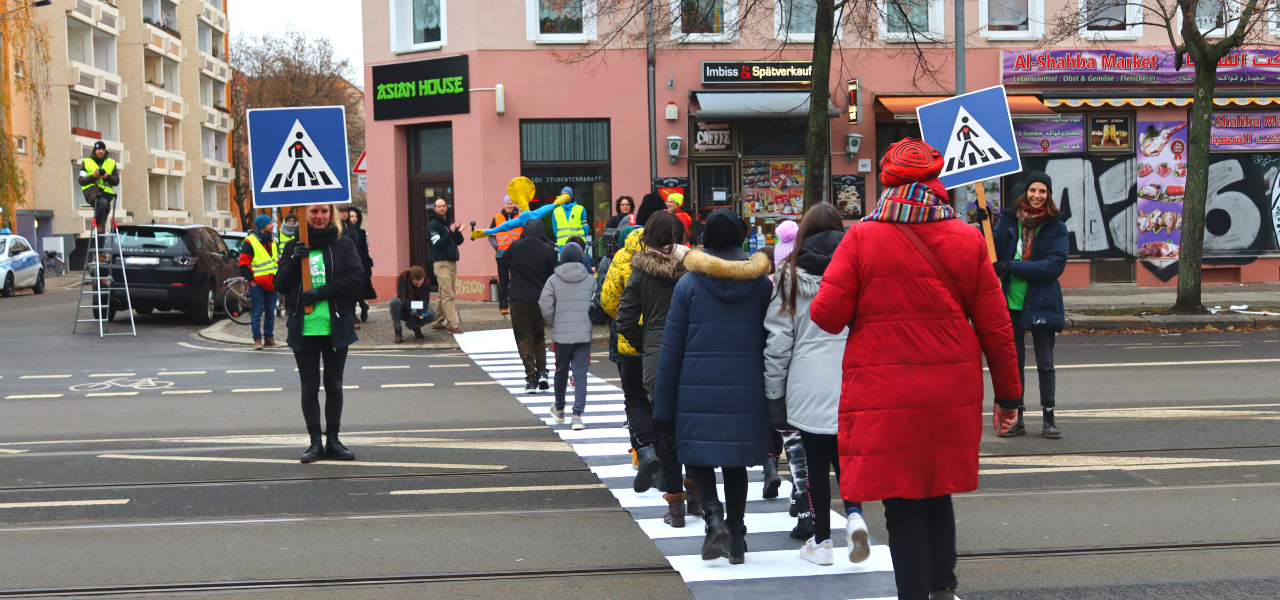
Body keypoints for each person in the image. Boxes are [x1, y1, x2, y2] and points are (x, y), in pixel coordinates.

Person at [810, 138, 1022, 600]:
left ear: (886, 181)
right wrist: (1010, 398)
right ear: (935, 181)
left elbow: (825, 316)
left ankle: (914, 594)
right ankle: (943, 587)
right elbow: (996, 326)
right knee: (936, 489)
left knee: (902, 501)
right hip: (949, 389)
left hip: (884, 393)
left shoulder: (861, 238)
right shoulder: (967, 239)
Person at [652, 208, 773, 565]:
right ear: (740, 238)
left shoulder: (688, 284)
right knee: (735, 463)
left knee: (697, 456)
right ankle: (736, 536)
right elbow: (773, 340)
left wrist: (663, 405)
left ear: (707, 239)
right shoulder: (762, 285)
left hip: (696, 386)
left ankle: (713, 517)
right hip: (747, 388)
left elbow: (671, 347)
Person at [762, 203, 865, 566]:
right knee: (848, 458)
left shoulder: (787, 275)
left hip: (807, 381)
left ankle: (821, 543)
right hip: (853, 376)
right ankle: (855, 516)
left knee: (817, 464)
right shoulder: (858, 267)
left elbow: (778, 342)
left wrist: (774, 392)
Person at [274, 203, 365, 464]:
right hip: (304, 329)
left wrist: (321, 292)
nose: (319, 216)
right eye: (314, 211)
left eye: (324, 211)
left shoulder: (343, 243)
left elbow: (357, 278)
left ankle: (333, 440)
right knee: (309, 387)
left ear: (332, 214)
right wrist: (294, 262)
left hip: (336, 325)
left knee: (334, 385)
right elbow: (279, 284)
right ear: (304, 214)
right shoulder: (293, 246)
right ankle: (315, 442)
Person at [616, 211, 691, 526]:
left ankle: (675, 506)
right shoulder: (693, 270)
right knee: (692, 426)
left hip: (657, 357)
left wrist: (644, 343)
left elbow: (625, 318)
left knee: (667, 430)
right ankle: (699, 491)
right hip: (691, 354)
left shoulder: (640, 272)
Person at [989, 170, 1069, 439]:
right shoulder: (1009, 221)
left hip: (1042, 301)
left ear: (1048, 196)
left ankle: (1049, 419)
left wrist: (1010, 266)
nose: (1037, 196)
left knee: (1045, 363)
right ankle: (1018, 417)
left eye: (1043, 192)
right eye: (1033, 190)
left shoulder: (1057, 226)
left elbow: (1052, 267)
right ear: (1026, 192)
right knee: (1015, 363)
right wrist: (983, 226)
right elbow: (993, 251)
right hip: (1010, 302)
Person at [600, 199, 664, 494]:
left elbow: (608, 301)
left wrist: (625, 322)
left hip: (630, 343)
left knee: (635, 398)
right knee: (661, 401)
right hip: (661, 338)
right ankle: (665, 458)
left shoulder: (621, 258)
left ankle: (646, 451)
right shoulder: (664, 255)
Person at [539, 242, 595, 430]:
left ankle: (560, 408)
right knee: (580, 375)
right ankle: (577, 415)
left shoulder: (553, 280)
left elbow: (544, 304)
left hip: (561, 336)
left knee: (560, 371)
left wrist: (553, 321)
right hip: (583, 334)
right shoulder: (590, 280)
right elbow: (597, 303)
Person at [507, 219, 558, 392]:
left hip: (518, 299)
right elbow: (553, 274)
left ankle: (530, 378)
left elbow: (503, 261)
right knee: (539, 337)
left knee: (523, 339)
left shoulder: (515, 247)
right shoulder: (548, 250)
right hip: (540, 299)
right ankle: (542, 372)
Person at [239, 214, 280, 350]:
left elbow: (276, 262)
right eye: (270, 223)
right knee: (256, 312)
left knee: (270, 312)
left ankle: (269, 338)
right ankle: (257, 339)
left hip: (271, 283)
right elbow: (243, 264)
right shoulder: (250, 242)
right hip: (257, 284)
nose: (273, 225)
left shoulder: (273, 241)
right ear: (263, 226)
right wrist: (251, 280)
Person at [425, 198, 464, 334]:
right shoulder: (432, 226)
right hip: (441, 263)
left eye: (443, 206)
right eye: (439, 206)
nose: (442, 208)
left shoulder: (448, 224)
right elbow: (438, 244)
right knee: (449, 294)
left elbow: (458, 242)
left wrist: (457, 232)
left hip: (451, 262)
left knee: (443, 294)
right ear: (435, 209)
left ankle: (436, 322)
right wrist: (451, 233)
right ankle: (451, 324)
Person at [490, 196, 523, 315]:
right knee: (503, 281)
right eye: (507, 204)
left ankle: (517, 305)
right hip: (502, 254)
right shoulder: (496, 218)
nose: (509, 206)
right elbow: (491, 235)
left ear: (514, 205)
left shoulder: (520, 217)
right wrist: (497, 246)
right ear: (504, 205)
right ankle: (503, 306)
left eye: (511, 203)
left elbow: (524, 234)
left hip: (517, 254)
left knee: (517, 280)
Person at [79, 141, 120, 234]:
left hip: (106, 194)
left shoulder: (111, 162)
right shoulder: (86, 162)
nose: (101, 151)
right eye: (98, 149)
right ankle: (97, 224)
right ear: (94, 150)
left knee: (105, 211)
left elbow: (116, 181)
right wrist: (93, 176)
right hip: (91, 192)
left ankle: (99, 233)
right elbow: (81, 180)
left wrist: (107, 177)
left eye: (102, 149)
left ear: (105, 151)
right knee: (102, 202)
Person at [346, 207, 376, 326]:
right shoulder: (344, 231)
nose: (354, 219)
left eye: (355, 216)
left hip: (362, 264)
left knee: (360, 288)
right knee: (353, 289)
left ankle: (363, 306)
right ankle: (353, 313)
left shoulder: (361, 232)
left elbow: (364, 249)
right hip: (349, 264)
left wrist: (368, 265)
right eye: (351, 216)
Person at [391, 266, 433, 344]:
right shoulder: (403, 279)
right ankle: (398, 332)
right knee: (394, 301)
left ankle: (416, 327)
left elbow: (425, 300)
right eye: (416, 283)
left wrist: (419, 313)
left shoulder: (427, 282)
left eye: (420, 283)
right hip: (405, 306)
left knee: (430, 314)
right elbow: (402, 297)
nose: (418, 285)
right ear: (411, 279)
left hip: (418, 305)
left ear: (423, 278)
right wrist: (411, 309)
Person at [278, 212, 300, 316]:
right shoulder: (280, 231)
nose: (291, 223)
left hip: (296, 257)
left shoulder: (300, 231)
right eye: (289, 221)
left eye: (293, 221)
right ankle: (282, 306)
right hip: (285, 258)